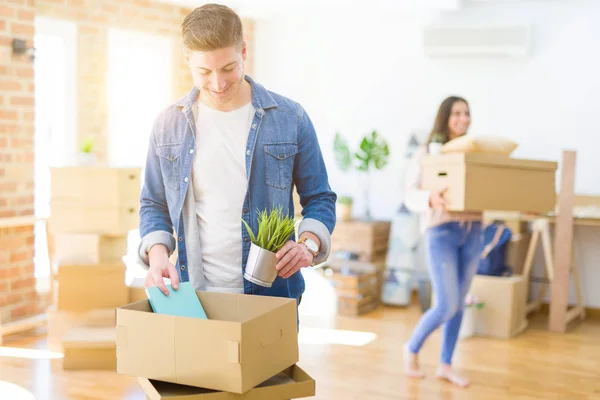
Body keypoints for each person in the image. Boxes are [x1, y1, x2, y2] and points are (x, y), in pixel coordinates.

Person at [136, 4, 336, 306]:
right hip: (191, 296)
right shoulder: (168, 125)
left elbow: (320, 197)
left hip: (273, 294)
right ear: (188, 60)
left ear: (243, 51)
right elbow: (153, 202)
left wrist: (307, 245)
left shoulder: (290, 118)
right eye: (204, 71)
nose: (217, 84)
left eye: (227, 68)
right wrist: (157, 255)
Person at [403, 96, 483, 388]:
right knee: (447, 303)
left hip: (474, 230)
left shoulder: (474, 154)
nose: (463, 118)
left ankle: (446, 365)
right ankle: (411, 349)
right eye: (457, 113)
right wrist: (430, 198)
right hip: (441, 232)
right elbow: (409, 195)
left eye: (467, 113)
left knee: (459, 303)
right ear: (445, 117)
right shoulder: (428, 152)